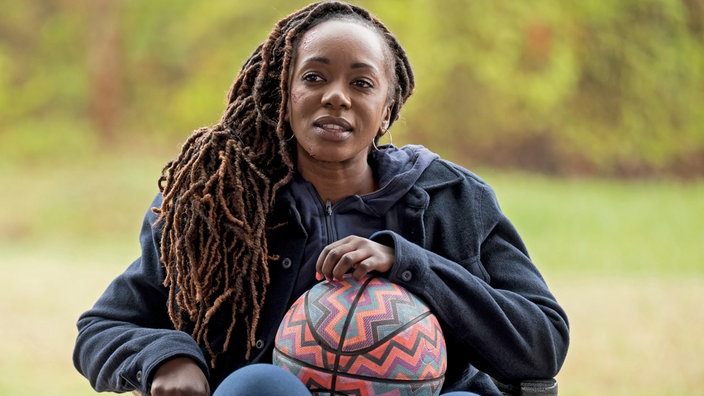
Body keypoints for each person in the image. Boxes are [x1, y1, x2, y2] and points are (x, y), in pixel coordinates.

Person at [73, 1, 569, 395]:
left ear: (387, 106)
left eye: (361, 82)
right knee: (256, 385)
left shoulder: (453, 199)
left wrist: (408, 262)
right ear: (282, 93)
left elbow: (542, 341)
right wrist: (167, 356)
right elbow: (103, 327)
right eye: (314, 77)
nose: (336, 95)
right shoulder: (214, 207)